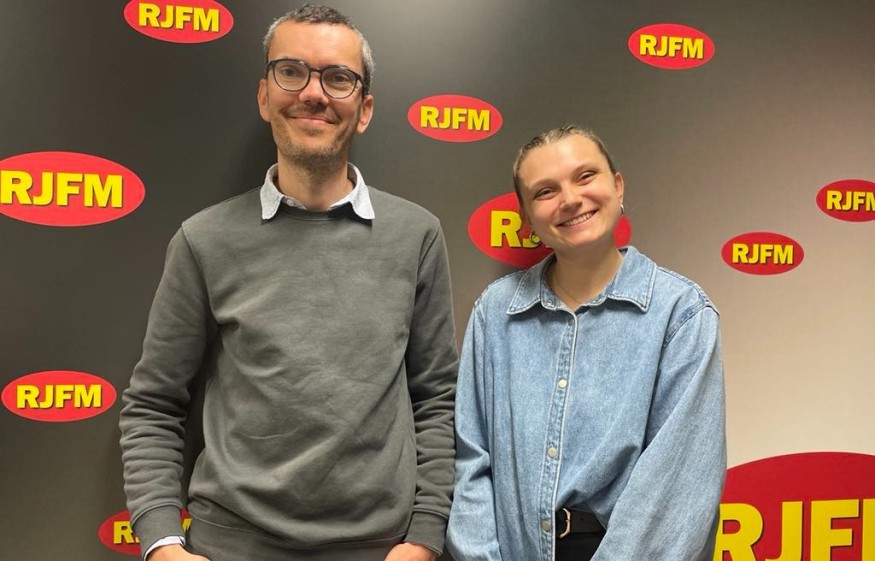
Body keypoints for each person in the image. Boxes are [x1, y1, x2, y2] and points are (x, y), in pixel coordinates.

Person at [119, 5, 458, 561]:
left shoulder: (416, 235)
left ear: (365, 109)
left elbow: (437, 399)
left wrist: (424, 537)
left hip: (379, 549)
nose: (314, 93)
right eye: (292, 71)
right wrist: (162, 543)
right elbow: (154, 404)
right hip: (229, 545)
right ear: (264, 95)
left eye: (339, 78)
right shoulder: (204, 240)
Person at [446, 125, 726, 561]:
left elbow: (679, 485)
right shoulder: (495, 313)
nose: (570, 199)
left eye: (585, 176)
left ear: (618, 186)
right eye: (545, 191)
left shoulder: (681, 312)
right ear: (526, 217)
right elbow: (472, 461)